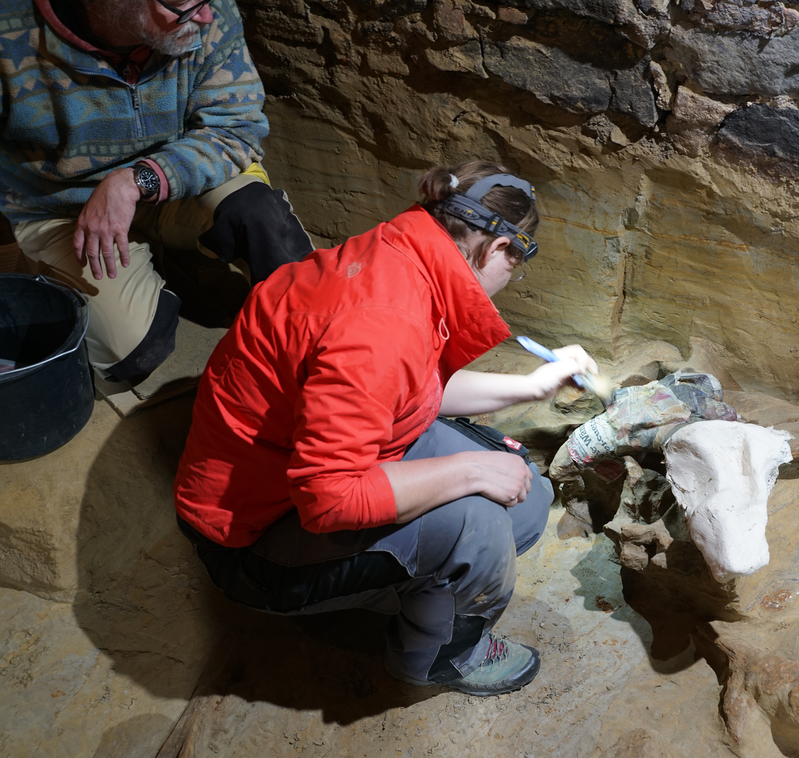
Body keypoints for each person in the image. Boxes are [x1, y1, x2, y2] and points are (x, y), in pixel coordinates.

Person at [173, 161, 599, 696]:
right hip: (253, 538)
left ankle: (419, 583)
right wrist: (469, 470)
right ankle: (440, 656)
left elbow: (406, 389)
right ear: (497, 250)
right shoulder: (383, 320)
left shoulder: (400, 254)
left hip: (292, 471)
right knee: (480, 523)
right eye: (518, 262)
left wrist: (533, 386)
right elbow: (327, 497)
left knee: (525, 497)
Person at [0, 0, 313, 384]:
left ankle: (313, 341)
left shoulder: (205, 8)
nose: (206, 16)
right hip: (63, 207)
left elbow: (236, 129)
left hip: (176, 177)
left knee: (262, 219)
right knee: (127, 352)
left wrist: (137, 180)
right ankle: (133, 277)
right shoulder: (9, 33)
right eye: (182, 8)